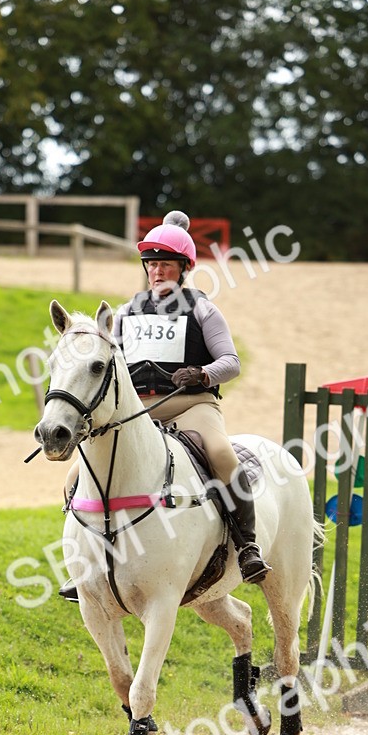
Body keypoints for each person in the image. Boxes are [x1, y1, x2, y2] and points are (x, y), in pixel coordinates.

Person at [59, 209, 270, 602]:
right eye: (152, 264)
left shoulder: (204, 309)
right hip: (139, 411)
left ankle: (247, 547)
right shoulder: (125, 313)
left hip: (192, 405)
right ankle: (84, 565)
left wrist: (203, 374)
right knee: (74, 475)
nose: (157, 272)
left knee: (223, 455)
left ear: (183, 268)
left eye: (166, 265)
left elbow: (232, 363)